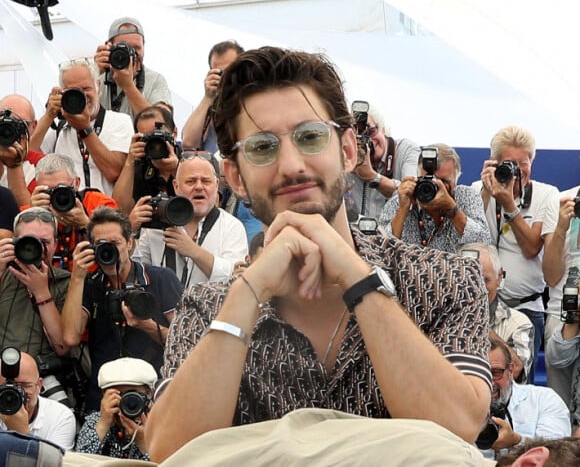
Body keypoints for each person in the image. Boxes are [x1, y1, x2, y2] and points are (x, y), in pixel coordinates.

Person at [145, 46, 492, 461]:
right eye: (261, 148)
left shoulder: (444, 280)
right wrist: (250, 289)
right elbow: (169, 451)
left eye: (310, 137)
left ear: (347, 150)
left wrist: (357, 279)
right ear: (234, 176)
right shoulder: (208, 310)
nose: (291, 166)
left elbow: (457, 429)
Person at [61, 207, 182, 414]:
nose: (109, 251)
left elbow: (185, 341)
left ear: (129, 243)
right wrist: (77, 277)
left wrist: (147, 326)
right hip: (104, 397)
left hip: (153, 395)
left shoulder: (161, 279)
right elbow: (70, 337)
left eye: (115, 243)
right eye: (101, 245)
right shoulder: (90, 284)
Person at [475, 126, 560, 382]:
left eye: (524, 163)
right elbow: (472, 239)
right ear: (494, 164)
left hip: (527, 310)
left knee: (520, 386)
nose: (518, 170)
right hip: (484, 308)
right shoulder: (479, 189)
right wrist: (486, 194)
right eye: (510, 164)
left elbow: (532, 247)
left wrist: (510, 206)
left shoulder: (546, 194)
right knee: (480, 380)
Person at [131, 153, 248, 289]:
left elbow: (234, 279)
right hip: (163, 309)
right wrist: (130, 230)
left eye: (206, 181)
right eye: (190, 181)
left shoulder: (232, 226)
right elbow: (135, 273)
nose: (199, 187)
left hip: (214, 310)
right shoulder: (156, 225)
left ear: (216, 185)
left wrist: (193, 251)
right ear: (176, 186)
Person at [31, 58, 134, 197]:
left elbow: (113, 172)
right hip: (66, 211)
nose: (81, 96)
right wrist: (49, 115)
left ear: (98, 86)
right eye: (73, 91)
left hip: (105, 214)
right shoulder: (60, 129)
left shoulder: (119, 121)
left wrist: (84, 130)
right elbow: (27, 158)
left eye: (86, 89)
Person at [379, 144, 490, 252]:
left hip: (455, 269)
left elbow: (483, 244)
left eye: (444, 181)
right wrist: (403, 209)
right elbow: (381, 249)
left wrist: (451, 208)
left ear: (457, 178)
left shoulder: (467, 196)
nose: (435, 186)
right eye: (427, 180)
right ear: (417, 175)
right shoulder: (399, 202)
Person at [0, 208, 70, 359]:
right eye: (28, 242)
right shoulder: (3, 273)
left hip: (45, 372)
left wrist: (41, 293)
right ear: (14, 241)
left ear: (55, 245)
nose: (35, 249)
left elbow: (62, 347)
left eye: (44, 242)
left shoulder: (67, 282)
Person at [29, 153, 117, 272]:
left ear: (76, 183)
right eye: (48, 190)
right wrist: (34, 216)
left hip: (94, 280)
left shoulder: (100, 205)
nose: (58, 196)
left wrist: (86, 224)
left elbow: (118, 252)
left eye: (62, 188)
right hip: (47, 281)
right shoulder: (30, 211)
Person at [462, 243, 534, 383]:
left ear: (499, 277)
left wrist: (477, 321)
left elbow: (518, 371)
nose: (476, 288)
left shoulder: (518, 322)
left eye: (484, 280)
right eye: (468, 279)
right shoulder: (440, 318)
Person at [486, 339, 570, 456]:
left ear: (510, 371)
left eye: (495, 373)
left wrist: (517, 441)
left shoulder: (543, 399)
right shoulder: (459, 406)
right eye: (482, 373)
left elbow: (556, 454)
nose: (489, 381)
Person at [345, 104, 420, 221]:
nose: (367, 141)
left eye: (371, 132)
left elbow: (414, 197)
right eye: (358, 137)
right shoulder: (346, 158)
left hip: (397, 234)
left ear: (383, 130)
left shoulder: (406, 150)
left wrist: (372, 177)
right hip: (358, 236)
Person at [541, 186, 579, 408]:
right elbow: (551, 277)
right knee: (559, 405)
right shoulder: (560, 201)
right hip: (561, 312)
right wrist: (561, 228)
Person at [76, 357, 156, 459]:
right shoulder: (96, 421)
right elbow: (81, 462)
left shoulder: (162, 424)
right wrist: (102, 425)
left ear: (150, 393)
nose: (126, 402)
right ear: (104, 396)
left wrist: (144, 443)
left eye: (132, 395)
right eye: (118, 395)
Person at [95, 17, 172, 119]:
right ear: (109, 47)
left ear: (144, 48)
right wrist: (93, 73)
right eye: (124, 47)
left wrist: (128, 86)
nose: (132, 54)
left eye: (136, 48)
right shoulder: (97, 78)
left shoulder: (155, 80)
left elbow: (161, 124)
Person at [112, 105, 180, 216]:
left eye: (158, 134)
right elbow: (119, 210)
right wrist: (129, 162)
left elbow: (203, 204)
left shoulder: (190, 161)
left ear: (174, 133)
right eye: (148, 137)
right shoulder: (139, 165)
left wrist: (177, 170)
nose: (155, 143)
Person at [0, 350, 75, 450]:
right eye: (6, 387)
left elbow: (55, 463)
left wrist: (22, 432)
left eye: (24, 385)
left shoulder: (61, 417)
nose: (15, 393)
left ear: (39, 385)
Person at [181, 40, 244, 153]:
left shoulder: (253, 101)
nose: (225, 77)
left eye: (229, 70)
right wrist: (208, 97)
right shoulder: (210, 107)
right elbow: (189, 142)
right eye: (220, 72)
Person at [0, 94, 44, 206]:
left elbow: (29, 215)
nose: (9, 129)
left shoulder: (43, 164)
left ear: (33, 127)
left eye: (19, 124)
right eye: (3, 122)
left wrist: (14, 165)